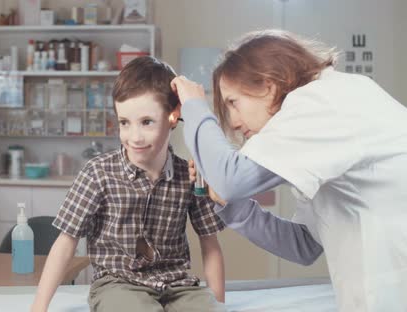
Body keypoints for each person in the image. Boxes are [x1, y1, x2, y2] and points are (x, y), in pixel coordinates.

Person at [172, 29, 407, 311]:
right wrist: (234, 207)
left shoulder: (321, 101)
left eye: (233, 102)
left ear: (268, 86)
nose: (233, 122)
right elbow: (303, 245)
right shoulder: (319, 127)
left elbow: (230, 179)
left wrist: (195, 107)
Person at [31, 56, 227, 312]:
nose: (134, 137)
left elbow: (209, 244)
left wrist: (219, 303)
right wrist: (38, 307)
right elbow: (65, 242)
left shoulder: (189, 175)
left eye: (146, 122)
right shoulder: (98, 173)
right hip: (118, 284)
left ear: (173, 116)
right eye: (124, 123)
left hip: (178, 284)